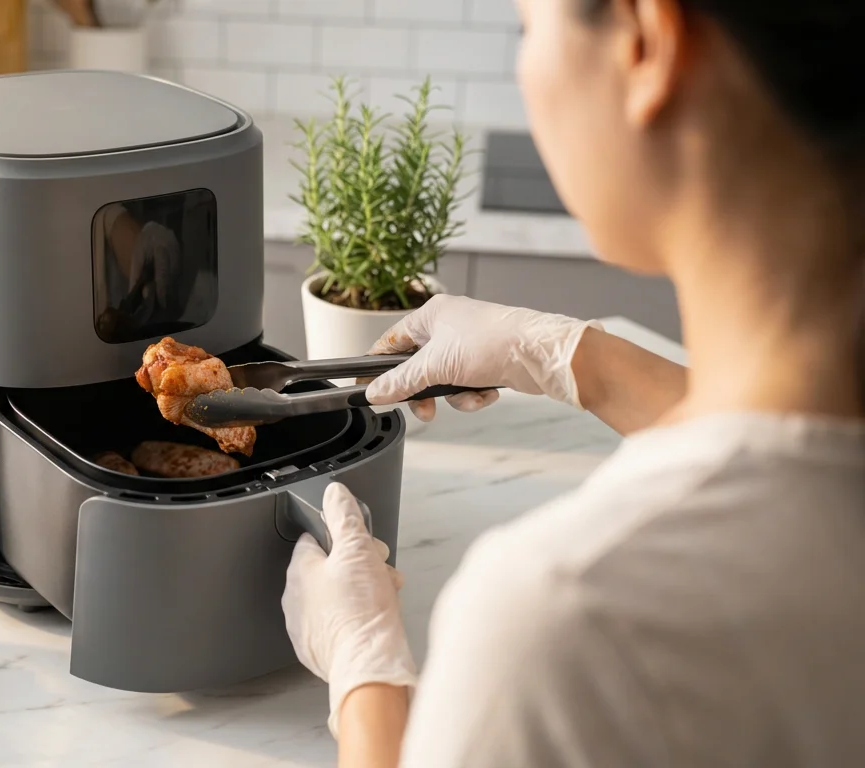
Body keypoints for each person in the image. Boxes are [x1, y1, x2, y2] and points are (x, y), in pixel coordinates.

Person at [280, 0, 865, 765]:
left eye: (528, 25)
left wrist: (365, 676)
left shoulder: (570, 614)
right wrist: (559, 352)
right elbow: (790, 459)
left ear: (645, 43)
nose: (526, 69)